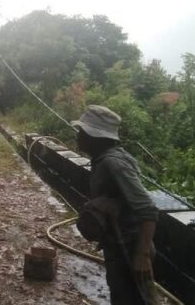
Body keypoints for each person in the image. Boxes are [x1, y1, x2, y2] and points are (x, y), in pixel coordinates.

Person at [73, 105, 159, 305]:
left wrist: (142, 255)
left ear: (96, 137)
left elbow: (148, 209)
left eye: (82, 132)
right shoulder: (103, 160)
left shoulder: (114, 164)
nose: (78, 136)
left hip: (130, 248)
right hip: (117, 243)